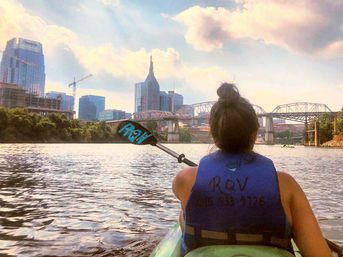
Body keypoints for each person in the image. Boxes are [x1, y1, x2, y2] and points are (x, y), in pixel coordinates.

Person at [172, 83, 331, 257]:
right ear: (255, 132)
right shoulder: (286, 185)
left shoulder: (185, 179)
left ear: (213, 133)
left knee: (184, 211)